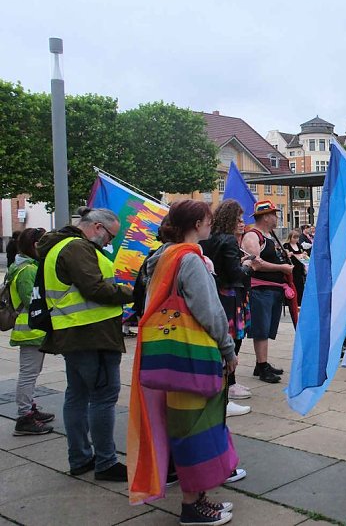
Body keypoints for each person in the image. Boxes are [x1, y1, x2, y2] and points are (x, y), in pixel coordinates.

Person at [130, 199, 239, 525]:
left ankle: (200, 496)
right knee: (196, 428)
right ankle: (192, 505)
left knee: (184, 423)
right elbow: (209, 311)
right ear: (195, 224)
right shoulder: (189, 260)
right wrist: (228, 349)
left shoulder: (161, 257)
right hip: (194, 357)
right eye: (207, 220)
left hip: (171, 358)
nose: (210, 225)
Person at [36, 207, 135, 481]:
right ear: (97, 227)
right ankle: (106, 462)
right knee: (103, 396)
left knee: (77, 395)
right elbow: (95, 289)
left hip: (74, 333)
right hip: (93, 334)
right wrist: (133, 292)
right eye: (110, 236)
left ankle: (80, 458)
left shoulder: (61, 246)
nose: (110, 243)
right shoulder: (77, 248)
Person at [200, 200, 254, 417]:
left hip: (216, 294)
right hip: (230, 296)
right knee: (232, 342)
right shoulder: (229, 240)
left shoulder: (209, 239)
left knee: (221, 341)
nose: (242, 223)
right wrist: (247, 266)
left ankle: (225, 384)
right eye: (239, 219)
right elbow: (235, 274)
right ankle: (227, 386)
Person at [241, 200, 296, 384]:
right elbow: (255, 263)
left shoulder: (268, 235)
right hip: (261, 289)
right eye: (274, 214)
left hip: (272, 289)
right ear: (265, 217)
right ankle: (262, 366)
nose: (276, 217)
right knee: (261, 330)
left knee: (267, 328)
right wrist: (282, 267)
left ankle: (261, 363)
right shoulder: (252, 236)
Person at [8, 228, 54, 436]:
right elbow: (32, 300)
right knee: (28, 374)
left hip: (30, 330)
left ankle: (29, 409)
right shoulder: (27, 270)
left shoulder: (22, 265)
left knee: (31, 373)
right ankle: (24, 416)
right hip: (30, 330)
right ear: (35, 245)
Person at [284, 229, 309, 305]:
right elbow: (284, 254)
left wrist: (304, 254)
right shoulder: (286, 245)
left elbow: (302, 253)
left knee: (300, 285)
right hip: (292, 268)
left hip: (299, 268)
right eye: (294, 238)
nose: (296, 239)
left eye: (297, 238)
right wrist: (288, 253)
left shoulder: (299, 245)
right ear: (290, 238)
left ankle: (299, 302)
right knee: (292, 284)